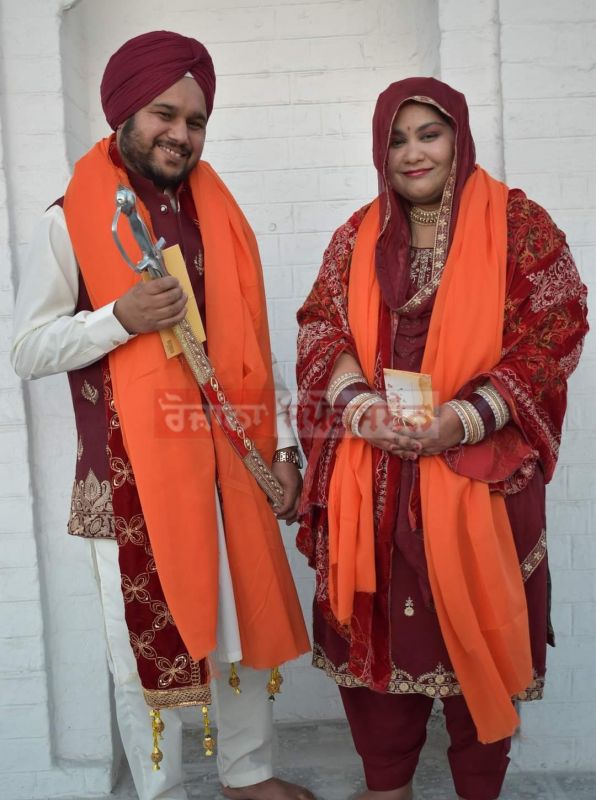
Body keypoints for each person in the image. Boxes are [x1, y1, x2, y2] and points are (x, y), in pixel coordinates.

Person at [11, 30, 314, 800]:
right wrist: (119, 316)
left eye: (197, 119)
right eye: (163, 113)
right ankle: (162, 793)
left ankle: (249, 776)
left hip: (228, 465)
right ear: (123, 112)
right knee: (141, 648)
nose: (181, 133)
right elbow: (29, 348)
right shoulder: (68, 220)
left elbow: (251, 346)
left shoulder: (221, 219)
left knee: (239, 620)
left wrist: (283, 448)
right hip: (127, 481)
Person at [295, 77, 588, 800]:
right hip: (376, 481)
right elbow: (320, 329)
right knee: (380, 649)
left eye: (429, 133)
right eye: (396, 139)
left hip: (477, 481)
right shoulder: (356, 237)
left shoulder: (520, 226)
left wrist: (461, 420)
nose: (412, 152)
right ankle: (386, 788)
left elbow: (554, 331)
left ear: (458, 135)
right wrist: (362, 410)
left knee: (480, 639)